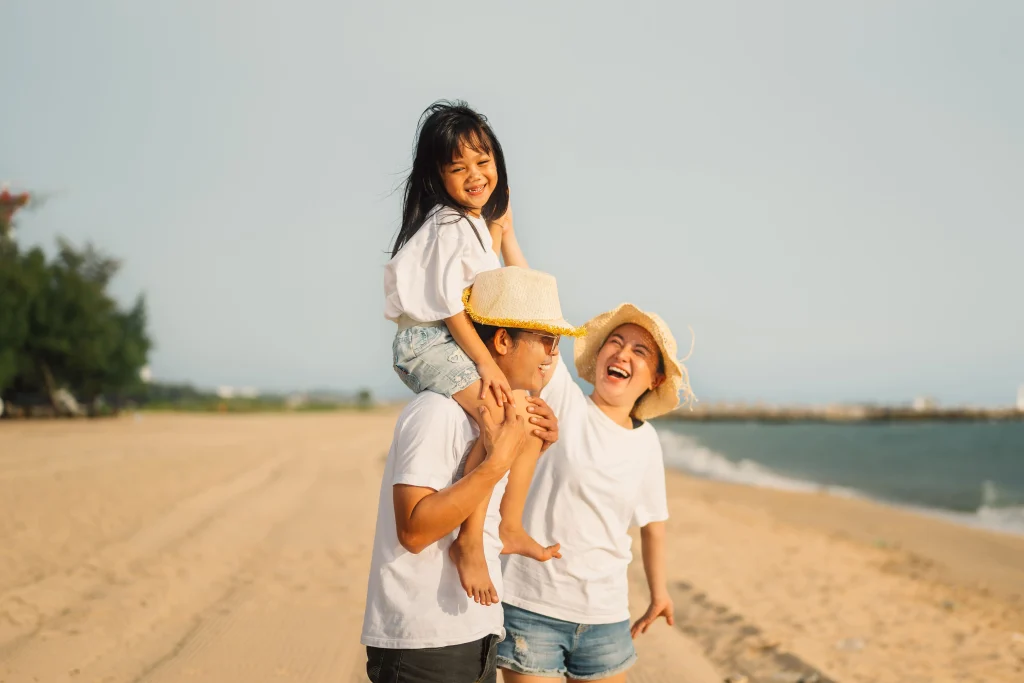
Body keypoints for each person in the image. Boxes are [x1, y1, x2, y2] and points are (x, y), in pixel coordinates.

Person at [385, 100, 576, 604]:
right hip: (429, 341)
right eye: (458, 167)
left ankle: (507, 525)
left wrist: (501, 229)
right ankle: (470, 540)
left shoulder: (469, 225)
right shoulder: (448, 224)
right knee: (500, 414)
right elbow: (451, 307)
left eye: (483, 161)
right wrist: (487, 363)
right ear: (437, 176)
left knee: (529, 418)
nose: (475, 174)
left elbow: (492, 284)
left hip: (449, 338)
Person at [362, 267, 582, 683]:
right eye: (547, 341)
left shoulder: (495, 416)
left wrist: (530, 445)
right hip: (422, 643)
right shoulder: (437, 412)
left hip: (476, 632)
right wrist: (497, 461)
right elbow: (414, 530)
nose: (554, 355)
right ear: (503, 340)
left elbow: (484, 506)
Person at [498, 304, 696, 682]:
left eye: (639, 352)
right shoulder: (564, 401)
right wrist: (506, 242)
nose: (622, 354)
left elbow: (652, 524)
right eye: (615, 343)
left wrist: (659, 593)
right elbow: (537, 312)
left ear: (654, 379)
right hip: (532, 605)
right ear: (600, 356)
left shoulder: (647, 443)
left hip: (606, 619)